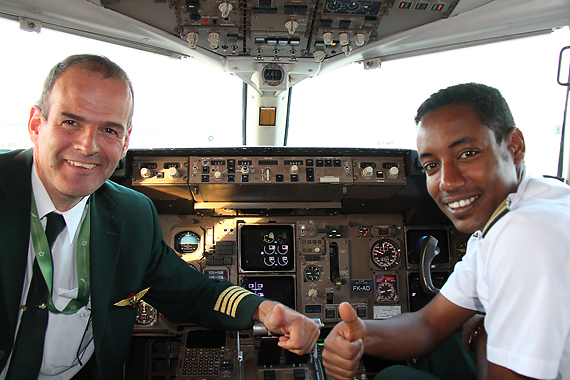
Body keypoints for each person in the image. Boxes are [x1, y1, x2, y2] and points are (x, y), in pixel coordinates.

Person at [0, 54, 319, 380]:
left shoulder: (132, 215)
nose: (87, 146)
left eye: (109, 130)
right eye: (71, 122)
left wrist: (265, 309)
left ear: (125, 142)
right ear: (36, 124)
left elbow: (192, 293)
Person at [322, 83, 570, 380]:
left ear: (514, 146)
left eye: (467, 153)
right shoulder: (523, 206)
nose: (447, 182)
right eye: (431, 166)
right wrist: (361, 335)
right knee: (445, 341)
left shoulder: (524, 233)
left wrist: (484, 338)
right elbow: (429, 324)